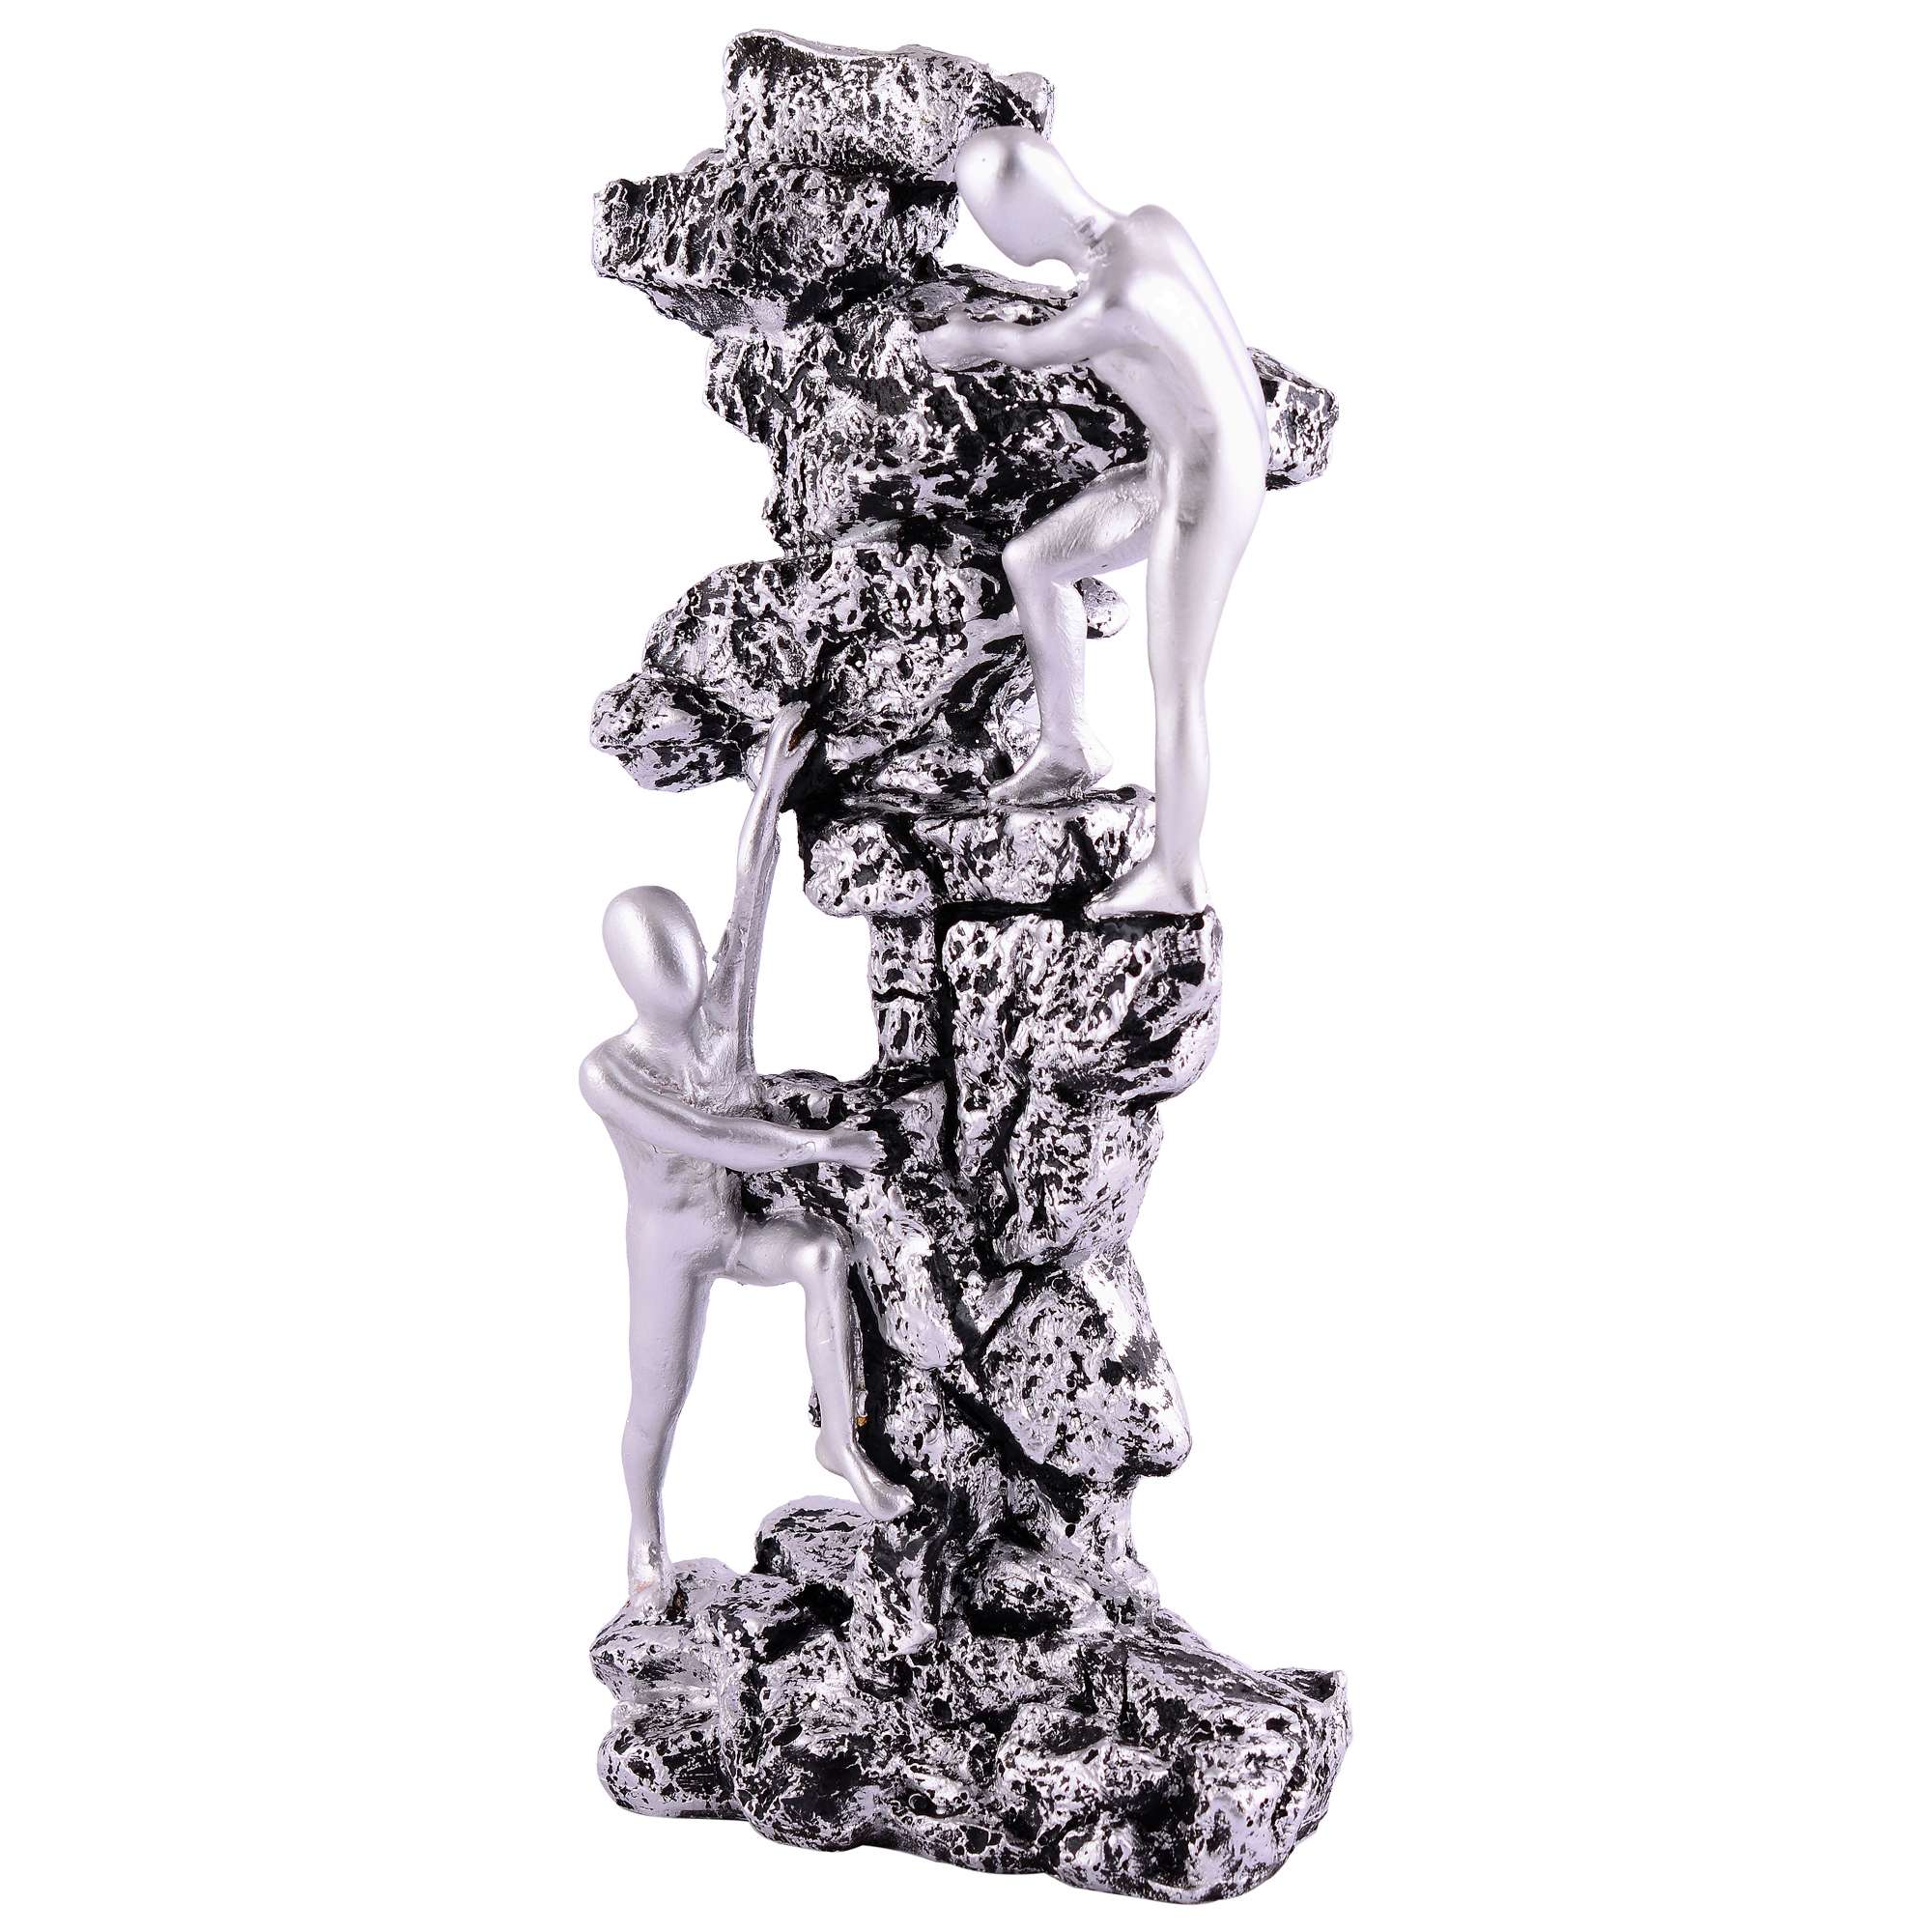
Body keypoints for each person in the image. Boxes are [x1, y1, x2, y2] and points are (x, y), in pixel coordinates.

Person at [581, 704, 912, 1612]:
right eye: (663, 969)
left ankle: (841, 1443)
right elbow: (706, 1136)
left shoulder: (723, 1012)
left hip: (733, 1228)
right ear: (628, 978)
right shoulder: (607, 1072)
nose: (690, 980)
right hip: (667, 1247)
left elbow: (751, 890)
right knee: (657, 1401)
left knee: (822, 1254)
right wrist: (817, 1146)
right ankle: (644, 1532)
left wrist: (769, 788)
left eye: (690, 959)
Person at [922, 127, 1270, 917]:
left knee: (1177, 686)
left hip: (1208, 483)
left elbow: (1032, 348)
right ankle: (1067, 745)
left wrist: (970, 338)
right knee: (1033, 561)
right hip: (1176, 462)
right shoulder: (1153, 224)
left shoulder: (1113, 299)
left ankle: (1177, 872)